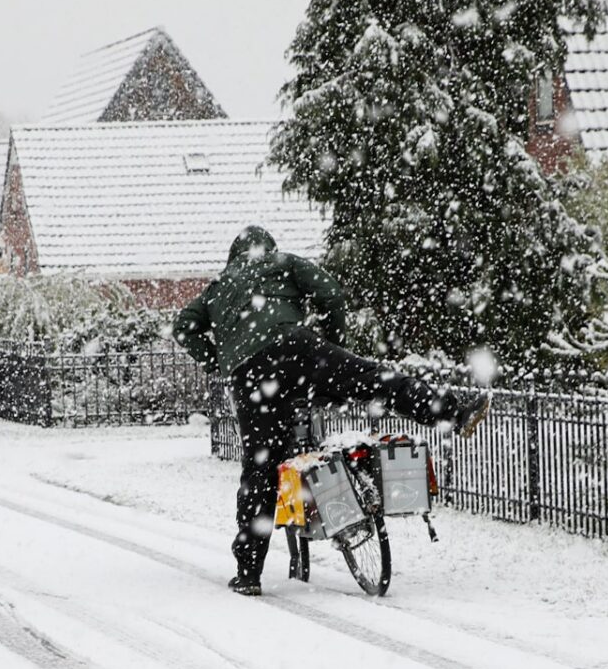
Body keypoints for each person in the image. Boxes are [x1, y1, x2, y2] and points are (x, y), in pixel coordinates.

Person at [174, 226, 488, 596]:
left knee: (260, 467)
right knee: (376, 381)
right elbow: (330, 293)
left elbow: (183, 328)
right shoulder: (282, 261)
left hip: (250, 376)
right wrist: (332, 345)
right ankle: (451, 414)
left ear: (233, 257)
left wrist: (220, 361)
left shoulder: (216, 288)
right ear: (267, 248)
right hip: (297, 348)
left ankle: (249, 572)